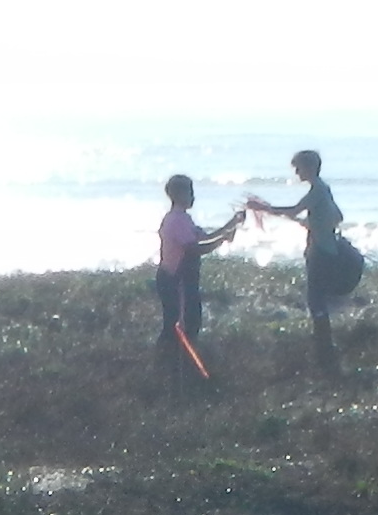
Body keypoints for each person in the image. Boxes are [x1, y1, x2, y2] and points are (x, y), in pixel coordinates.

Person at [249, 147, 365, 374]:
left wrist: (263, 208)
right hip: (325, 249)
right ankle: (325, 352)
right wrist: (314, 222)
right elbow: (338, 217)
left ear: (310, 168)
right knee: (318, 300)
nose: (296, 173)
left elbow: (294, 210)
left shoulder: (318, 190)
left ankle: (325, 353)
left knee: (316, 301)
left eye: (299, 168)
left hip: (320, 252)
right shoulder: (324, 190)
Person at [151, 173, 246, 374]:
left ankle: (178, 366)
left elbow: (205, 237)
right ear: (178, 194)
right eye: (190, 193)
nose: (193, 197)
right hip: (175, 280)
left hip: (182, 280)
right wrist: (221, 241)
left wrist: (232, 223)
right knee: (179, 325)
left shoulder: (184, 218)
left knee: (189, 321)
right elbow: (194, 248)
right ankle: (170, 366)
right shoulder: (176, 220)